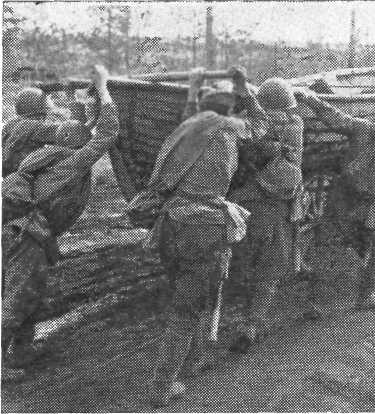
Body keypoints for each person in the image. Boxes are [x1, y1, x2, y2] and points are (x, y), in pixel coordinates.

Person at [140, 66, 268, 407]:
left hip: (170, 223)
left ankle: (193, 359)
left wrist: (195, 83)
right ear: (229, 108)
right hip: (202, 226)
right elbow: (262, 125)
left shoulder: (188, 126)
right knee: (186, 310)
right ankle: (162, 387)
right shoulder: (227, 127)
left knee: (185, 297)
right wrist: (245, 86)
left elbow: (190, 110)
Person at [2, 65, 119, 381]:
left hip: (14, 228)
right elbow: (106, 135)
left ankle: (22, 350)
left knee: (25, 292)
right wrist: (104, 90)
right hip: (25, 234)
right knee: (18, 296)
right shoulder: (70, 162)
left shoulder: (48, 156)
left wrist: (75, 100)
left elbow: (78, 131)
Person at [296, 91, 375, 309]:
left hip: (343, 198)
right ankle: (365, 297)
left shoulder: (364, 128)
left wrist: (309, 98)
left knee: (328, 246)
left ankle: (312, 304)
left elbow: (334, 117)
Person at [228, 78, 304, 353]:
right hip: (279, 209)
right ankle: (251, 325)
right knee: (270, 270)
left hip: (244, 207)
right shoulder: (295, 125)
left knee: (237, 262)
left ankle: (214, 322)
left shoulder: (246, 124)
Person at [2, 88, 65, 176]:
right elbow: (68, 132)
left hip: (9, 175)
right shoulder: (35, 126)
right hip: (28, 177)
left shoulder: (10, 124)